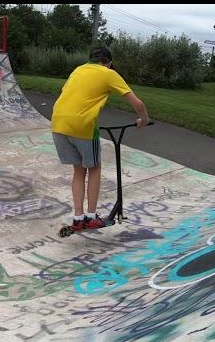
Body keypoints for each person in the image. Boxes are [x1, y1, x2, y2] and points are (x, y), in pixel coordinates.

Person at [51, 46, 150, 231]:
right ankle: (91, 217)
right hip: (83, 126)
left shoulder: (78, 70)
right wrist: (144, 120)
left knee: (78, 171)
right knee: (94, 168)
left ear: (90, 60)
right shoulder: (108, 73)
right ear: (109, 63)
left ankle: (78, 219)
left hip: (58, 123)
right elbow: (137, 103)